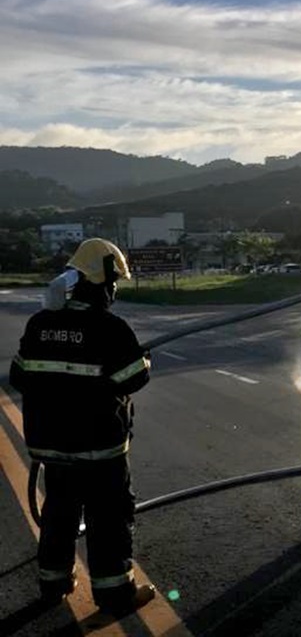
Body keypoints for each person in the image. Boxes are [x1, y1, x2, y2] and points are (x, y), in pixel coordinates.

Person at [9, 238, 156, 615]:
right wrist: (144, 361)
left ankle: (53, 583)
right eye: (114, 283)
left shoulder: (40, 324)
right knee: (108, 519)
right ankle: (115, 594)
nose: (115, 290)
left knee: (59, 512)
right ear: (102, 283)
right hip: (99, 450)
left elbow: (20, 376)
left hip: (52, 447)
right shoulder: (109, 328)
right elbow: (133, 378)